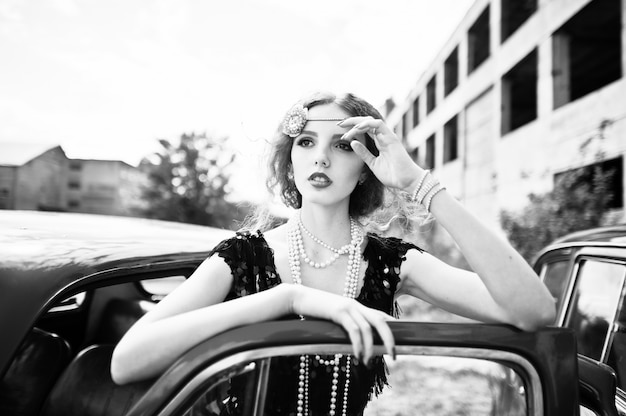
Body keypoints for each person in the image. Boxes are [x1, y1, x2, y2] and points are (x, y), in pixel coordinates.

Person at [111, 92, 556, 415]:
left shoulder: (391, 263)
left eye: (342, 146)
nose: (320, 157)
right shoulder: (243, 257)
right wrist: (286, 299)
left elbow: (534, 312)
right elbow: (127, 362)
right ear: (290, 161)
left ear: (366, 168)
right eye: (306, 142)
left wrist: (419, 183)